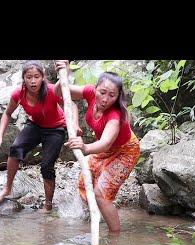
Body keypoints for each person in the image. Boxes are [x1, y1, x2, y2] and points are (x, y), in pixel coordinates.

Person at [54, 60, 140, 233]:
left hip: (125, 151)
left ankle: (115, 236)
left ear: (118, 96)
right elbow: (60, 93)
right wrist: (63, 73)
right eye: (102, 92)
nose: (105, 99)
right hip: (105, 149)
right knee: (84, 180)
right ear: (95, 89)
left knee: (102, 194)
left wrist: (85, 148)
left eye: (112, 95)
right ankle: (93, 216)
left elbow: (106, 142)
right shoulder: (89, 93)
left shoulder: (115, 116)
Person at [0, 60, 79, 211]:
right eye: (29, 77)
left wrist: (75, 124)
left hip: (56, 128)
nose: (33, 81)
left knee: (46, 166)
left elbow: (71, 103)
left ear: (43, 77)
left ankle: (48, 204)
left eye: (36, 77)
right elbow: (7, 114)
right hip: (35, 125)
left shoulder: (51, 90)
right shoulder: (18, 93)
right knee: (15, 148)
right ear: (23, 79)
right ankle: (7, 189)